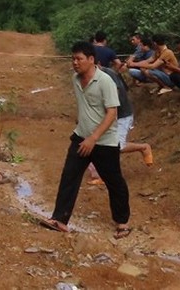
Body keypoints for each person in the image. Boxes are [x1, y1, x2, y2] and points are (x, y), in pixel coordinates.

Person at [41, 41, 130, 239]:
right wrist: (84, 129)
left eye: (79, 59)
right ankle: (60, 219)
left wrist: (94, 137)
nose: (75, 63)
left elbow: (111, 113)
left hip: (104, 142)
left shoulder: (105, 81)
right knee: (69, 176)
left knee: (113, 181)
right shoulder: (75, 79)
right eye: (73, 59)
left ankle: (122, 222)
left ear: (91, 60)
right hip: (81, 137)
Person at [87, 64, 153, 186]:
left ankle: (143, 147)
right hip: (112, 116)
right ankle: (100, 173)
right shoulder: (95, 76)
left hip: (122, 116)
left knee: (116, 146)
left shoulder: (108, 75)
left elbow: (114, 96)